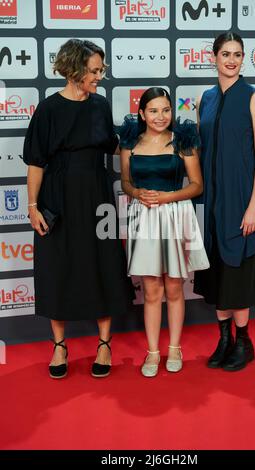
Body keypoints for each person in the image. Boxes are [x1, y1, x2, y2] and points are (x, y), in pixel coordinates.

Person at [24, 39, 134, 379]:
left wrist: (156, 140)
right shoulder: (48, 109)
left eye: (101, 70)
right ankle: (59, 346)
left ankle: (104, 343)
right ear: (74, 70)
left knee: (103, 262)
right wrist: (32, 205)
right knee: (57, 265)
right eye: (94, 70)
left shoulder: (100, 106)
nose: (100, 76)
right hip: (57, 196)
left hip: (97, 194)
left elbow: (115, 146)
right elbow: (36, 162)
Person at [120, 87, 209, 377]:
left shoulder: (182, 140)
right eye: (154, 111)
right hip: (143, 217)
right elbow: (125, 183)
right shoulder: (130, 142)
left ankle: (174, 348)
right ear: (142, 114)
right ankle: (152, 352)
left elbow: (197, 185)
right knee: (151, 289)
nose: (161, 116)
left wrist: (165, 197)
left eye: (166, 110)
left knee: (173, 287)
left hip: (175, 215)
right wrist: (137, 192)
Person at [193, 32, 255, 371]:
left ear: (243, 58)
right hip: (211, 202)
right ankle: (224, 338)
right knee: (218, 275)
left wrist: (254, 206)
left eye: (238, 54)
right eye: (225, 53)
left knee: (238, 274)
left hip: (241, 201)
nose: (231, 60)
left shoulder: (254, 97)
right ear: (213, 56)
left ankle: (245, 341)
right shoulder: (205, 99)